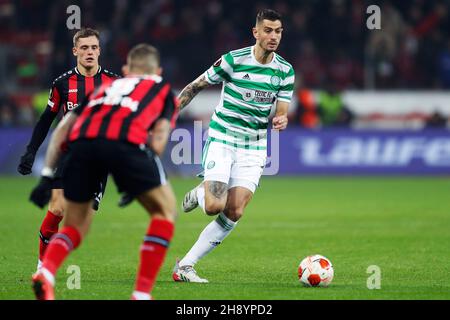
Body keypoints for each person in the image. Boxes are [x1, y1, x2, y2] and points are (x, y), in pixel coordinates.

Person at [29, 43, 179, 300]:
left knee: (74, 226)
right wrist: (136, 179)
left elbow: (62, 131)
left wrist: (46, 175)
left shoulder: (104, 88)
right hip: (126, 145)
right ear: (158, 71)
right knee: (165, 212)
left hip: (81, 147)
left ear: (126, 69)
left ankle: (47, 273)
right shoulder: (163, 90)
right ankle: (141, 294)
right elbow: (158, 142)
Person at [172, 9, 295, 283]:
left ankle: (186, 266)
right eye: (267, 30)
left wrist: (281, 118)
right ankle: (201, 194)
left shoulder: (285, 70)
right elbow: (196, 86)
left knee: (235, 210)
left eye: (277, 31)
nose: (273, 36)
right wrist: (168, 116)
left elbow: (282, 109)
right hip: (223, 138)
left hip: (254, 146)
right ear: (256, 33)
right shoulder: (233, 61)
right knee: (215, 206)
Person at [17, 28, 119, 271]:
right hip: (67, 153)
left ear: (100, 51)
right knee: (57, 208)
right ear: (75, 51)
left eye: (94, 47)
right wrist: (31, 151)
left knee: (80, 220)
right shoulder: (62, 84)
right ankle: (43, 265)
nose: (90, 52)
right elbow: (45, 121)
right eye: (84, 48)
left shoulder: (114, 83)